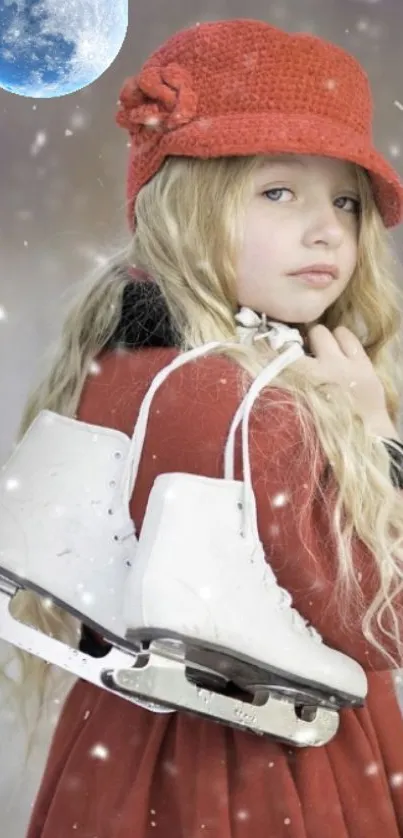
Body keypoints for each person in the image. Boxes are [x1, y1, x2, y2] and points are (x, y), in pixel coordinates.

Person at [8, 16, 403, 838]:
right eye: (277, 190)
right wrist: (377, 442)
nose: (327, 228)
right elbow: (375, 622)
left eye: (344, 200)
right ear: (190, 203)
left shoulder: (122, 357)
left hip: (125, 753)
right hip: (268, 774)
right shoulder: (257, 406)